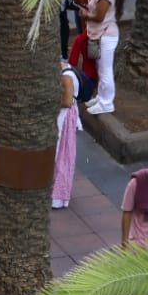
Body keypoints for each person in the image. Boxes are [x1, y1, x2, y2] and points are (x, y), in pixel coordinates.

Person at [79, 0, 125, 114]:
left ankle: (107, 103)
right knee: (99, 67)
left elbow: (99, 17)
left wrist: (86, 15)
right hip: (95, 34)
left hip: (105, 36)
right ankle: (101, 96)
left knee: (105, 71)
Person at [53, 62, 82, 208]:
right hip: (65, 117)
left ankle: (58, 197)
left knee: (62, 156)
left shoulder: (66, 77)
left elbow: (67, 102)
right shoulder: (66, 72)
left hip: (64, 119)